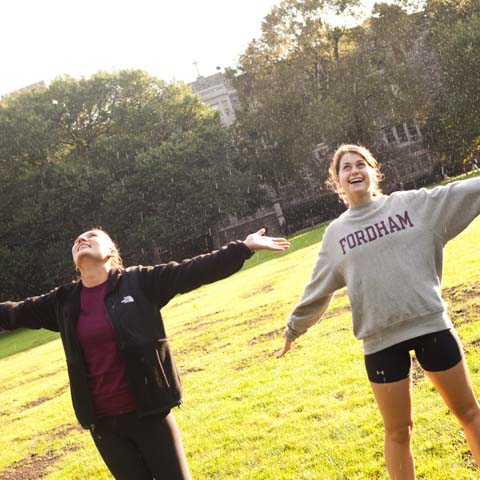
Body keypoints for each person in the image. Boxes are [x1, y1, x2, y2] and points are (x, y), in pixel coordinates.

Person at [0, 227, 289, 480]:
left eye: (91, 237)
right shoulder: (64, 301)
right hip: (104, 426)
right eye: (77, 240)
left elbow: (193, 270)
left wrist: (243, 247)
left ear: (112, 252)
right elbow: (14, 313)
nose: (81, 239)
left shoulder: (139, 282)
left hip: (150, 413)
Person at [277, 144, 480, 479]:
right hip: (380, 343)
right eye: (346, 168)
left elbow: (459, 191)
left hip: (431, 326)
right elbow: (317, 288)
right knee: (398, 431)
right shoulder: (335, 235)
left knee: (469, 413)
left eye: (361, 164)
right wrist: (293, 330)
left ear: (373, 172)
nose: (354, 170)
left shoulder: (411, 205)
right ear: (337, 183)